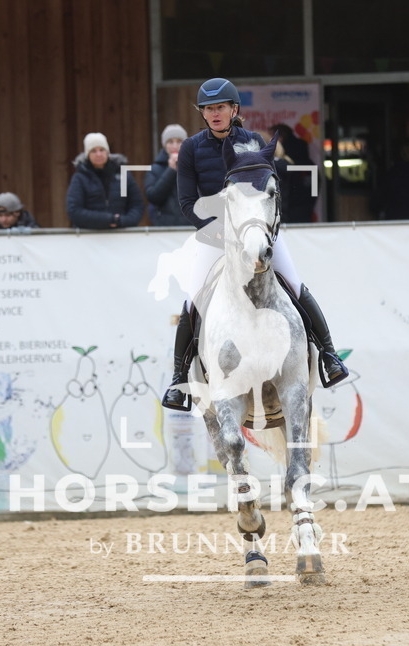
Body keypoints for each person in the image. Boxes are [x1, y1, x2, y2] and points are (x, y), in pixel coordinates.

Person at [162, 77, 348, 411]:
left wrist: (262, 229)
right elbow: (188, 202)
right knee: (193, 300)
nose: (215, 114)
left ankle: (330, 356)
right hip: (214, 237)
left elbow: (270, 190)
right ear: (202, 113)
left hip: (256, 233)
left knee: (294, 283)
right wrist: (217, 232)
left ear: (234, 110)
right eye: (208, 109)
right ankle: (178, 380)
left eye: (221, 108)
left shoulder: (252, 141)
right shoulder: (191, 148)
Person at [66, 132, 144, 229]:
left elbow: (136, 205)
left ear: (107, 152)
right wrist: (107, 220)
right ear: (87, 154)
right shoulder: (80, 178)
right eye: (93, 151)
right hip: (89, 237)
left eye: (102, 150)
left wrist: (122, 221)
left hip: (121, 235)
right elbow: (74, 211)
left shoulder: (122, 175)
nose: (98, 154)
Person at [269, 123, 317, 223]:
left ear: (280, 138)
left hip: (296, 197)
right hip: (302, 195)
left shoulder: (280, 163)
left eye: (272, 138)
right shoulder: (300, 147)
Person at [144, 124, 188, 226]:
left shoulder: (194, 166)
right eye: (170, 142)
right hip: (165, 227)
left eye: (179, 141)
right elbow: (153, 197)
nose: (175, 146)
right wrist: (171, 170)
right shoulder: (154, 169)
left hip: (191, 226)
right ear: (164, 145)